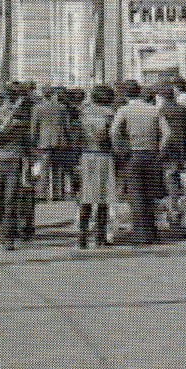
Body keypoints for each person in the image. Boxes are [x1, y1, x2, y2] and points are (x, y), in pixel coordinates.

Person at [109, 81, 167, 245]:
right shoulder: (154, 110)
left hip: (133, 154)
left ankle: (140, 233)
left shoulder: (124, 110)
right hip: (151, 154)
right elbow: (167, 133)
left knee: (136, 195)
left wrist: (120, 148)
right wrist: (159, 149)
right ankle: (152, 232)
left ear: (125, 95)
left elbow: (113, 131)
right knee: (150, 195)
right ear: (140, 92)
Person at [0, 85, 35, 247]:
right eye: (4, 100)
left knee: (10, 199)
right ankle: (4, 228)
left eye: (9, 100)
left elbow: (27, 142)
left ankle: (8, 236)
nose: (6, 104)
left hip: (14, 162)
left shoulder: (21, 120)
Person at [75, 85, 118, 248]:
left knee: (85, 197)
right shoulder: (110, 115)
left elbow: (77, 135)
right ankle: (100, 237)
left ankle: (82, 236)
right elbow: (111, 136)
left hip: (86, 155)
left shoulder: (83, 113)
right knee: (103, 198)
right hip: (104, 156)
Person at [156, 83, 186, 228]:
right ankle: (176, 209)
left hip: (167, 150)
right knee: (175, 178)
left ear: (162, 97)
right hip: (181, 150)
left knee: (169, 179)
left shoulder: (162, 111)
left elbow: (161, 133)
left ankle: (174, 211)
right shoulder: (182, 110)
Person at [30, 85, 72, 202]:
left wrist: (33, 141)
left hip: (44, 141)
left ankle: (41, 193)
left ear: (43, 94)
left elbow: (34, 127)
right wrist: (68, 139)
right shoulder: (62, 108)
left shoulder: (37, 108)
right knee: (58, 168)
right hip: (60, 140)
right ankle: (58, 193)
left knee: (44, 168)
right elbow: (67, 126)